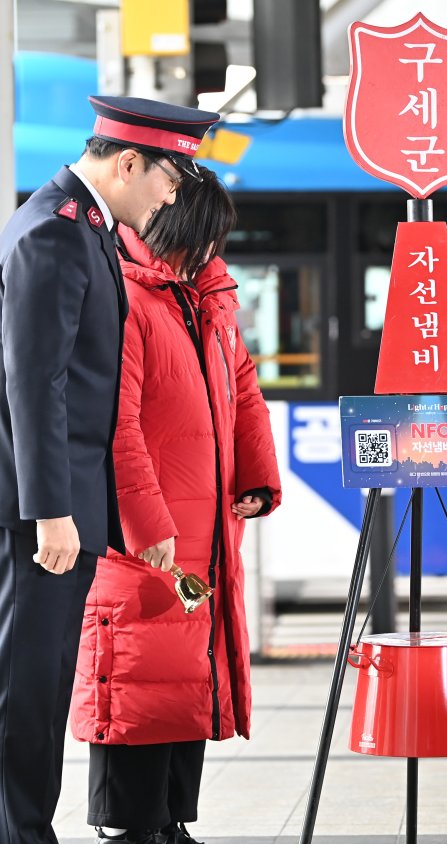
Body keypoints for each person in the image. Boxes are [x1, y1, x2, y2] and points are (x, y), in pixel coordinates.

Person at [0, 95, 218, 844]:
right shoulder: (54, 233)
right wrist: (50, 510)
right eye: (169, 180)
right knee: (26, 690)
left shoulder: (85, 228)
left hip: (69, 509)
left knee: (41, 686)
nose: (170, 199)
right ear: (129, 162)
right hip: (43, 517)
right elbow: (36, 382)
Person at [70, 165, 282, 844]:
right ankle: (130, 828)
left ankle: (171, 823)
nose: (211, 249)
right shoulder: (124, 298)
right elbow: (116, 425)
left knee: (190, 678)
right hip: (146, 537)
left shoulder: (208, 300)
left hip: (204, 527)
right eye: (202, 235)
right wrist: (146, 523)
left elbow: (243, 390)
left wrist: (256, 478)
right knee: (138, 675)